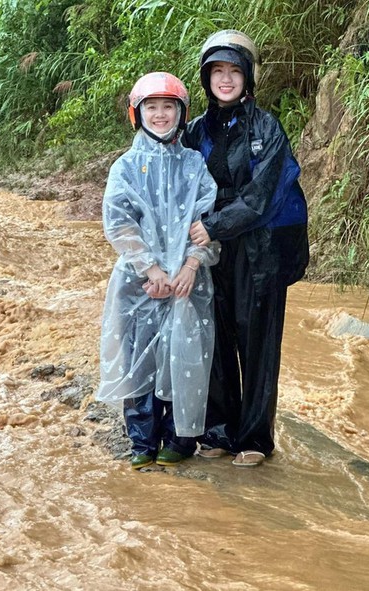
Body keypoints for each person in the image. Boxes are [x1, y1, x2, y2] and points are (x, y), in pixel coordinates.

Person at [182, 30, 309, 467]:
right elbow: (177, 186)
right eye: (217, 70)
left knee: (257, 343)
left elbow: (262, 196)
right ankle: (218, 429)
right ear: (206, 78)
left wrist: (213, 226)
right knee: (214, 337)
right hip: (211, 253)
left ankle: (255, 439)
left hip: (260, 251)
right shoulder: (195, 130)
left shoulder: (267, 128)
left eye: (234, 70)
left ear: (248, 76)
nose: (225, 78)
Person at [96, 72, 220, 470]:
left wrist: (190, 265)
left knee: (182, 355)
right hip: (139, 283)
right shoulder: (126, 167)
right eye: (152, 107)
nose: (161, 114)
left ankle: (179, 440)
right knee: (139, 361)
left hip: (187, 283)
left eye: (169, 107)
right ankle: (141, 441)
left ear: (182, 114)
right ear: (138, 113)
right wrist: (149, 269)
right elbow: (119, 223)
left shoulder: (195, 164)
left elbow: (208, 220)